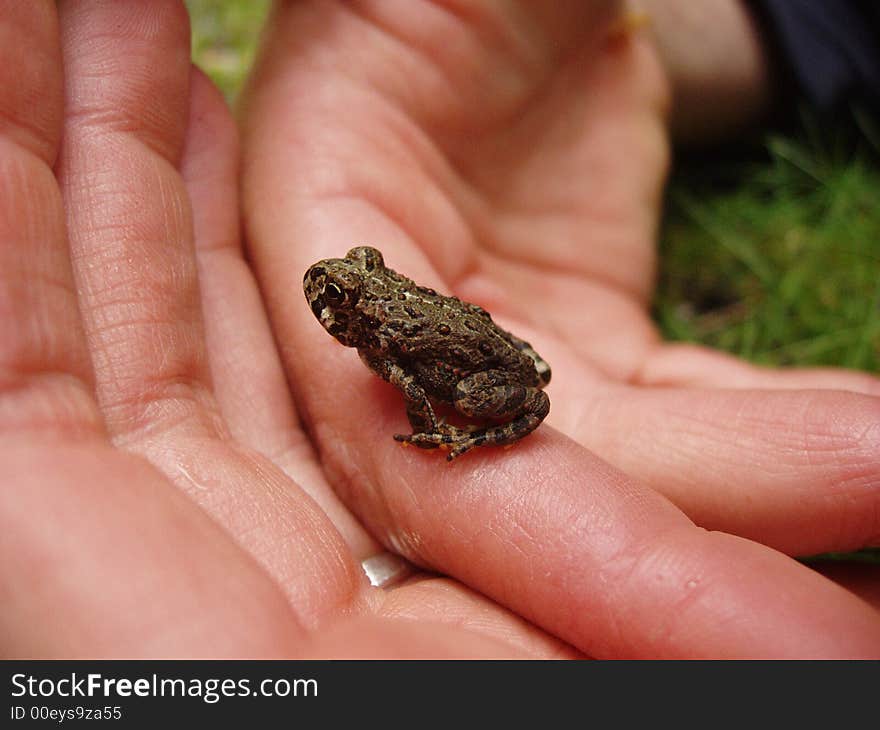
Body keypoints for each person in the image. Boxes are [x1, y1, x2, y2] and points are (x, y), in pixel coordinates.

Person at [1, 0, 878, 659]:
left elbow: (423, 385)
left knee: (495, 393)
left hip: (492, 372)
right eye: (345, 292)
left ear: (367, 317)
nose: (337, 300)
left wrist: (442, 437)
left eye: (347, 299)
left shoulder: (388, 345)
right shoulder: (381, 327)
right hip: (491, 337)